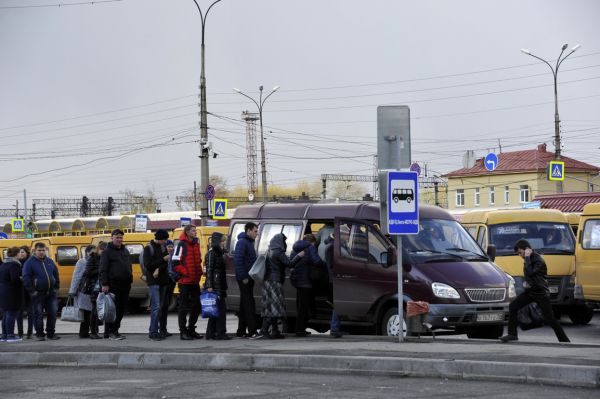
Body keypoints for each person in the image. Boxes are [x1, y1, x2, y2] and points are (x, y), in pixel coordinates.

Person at [500, 239, 570, 343]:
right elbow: (529, 275)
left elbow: (530, 272)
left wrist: (527, 258)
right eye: (518, 253)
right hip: (531, 291)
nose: (520, 255)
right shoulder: (529, 259)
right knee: (513, 306)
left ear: (527, 249)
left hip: (541, 293)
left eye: (520, 252)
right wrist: (527, 284)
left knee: (550, 318)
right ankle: (512, 334)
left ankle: (564, 340)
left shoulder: (538, 259)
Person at [251, 233, 291, 340]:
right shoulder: (278, 252)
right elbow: (289, 263)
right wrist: (299, 256)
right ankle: (264, 331)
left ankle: (275, 331)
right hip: (275, 281)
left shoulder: (269, 250)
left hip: (267, 281)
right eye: (284, 241)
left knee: (270, 306)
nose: (285, 244)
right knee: (274, 306)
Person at [290, 234, 326, 337]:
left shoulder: (295, 248)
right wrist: (325, 264)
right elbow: (317, 261)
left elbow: (292, 262)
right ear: (312, 242)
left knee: (300, 305)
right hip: (306, 280)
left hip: (297, 280)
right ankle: (300, 330)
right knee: (304, 306)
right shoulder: (310, 247)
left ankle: (299, 328)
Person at [23, 242, 60, 341]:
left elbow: (56, 274)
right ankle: (40, 334)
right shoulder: (29, 263)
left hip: (51, 292)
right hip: (38, 293)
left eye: (43, 250)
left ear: (46, 251)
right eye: (39, 250)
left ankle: (51, 334)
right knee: (38, 314)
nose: (41, 252)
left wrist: (56, 287)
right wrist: (32, 291)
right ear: (35, 251)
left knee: (53, 313)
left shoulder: (50, 261)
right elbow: (26, 278)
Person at [172, 224, 203, 340]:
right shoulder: (181, 244)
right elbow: (175, 263)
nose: (195, 232)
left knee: (197, 305)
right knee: (183, 307)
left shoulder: (196, 244)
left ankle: (191, 329)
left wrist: (198, 273)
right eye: (193, 231)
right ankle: (183, 332)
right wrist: (186, 273)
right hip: (185, 281)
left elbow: (198, 260)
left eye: (195, 230)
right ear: (187, 232)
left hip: (195, 281)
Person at [100, 229, 133, 340]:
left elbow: (129, 266)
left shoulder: (125, 251)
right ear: (112, 237)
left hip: (125, 285)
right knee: (113, 310)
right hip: (113, 285)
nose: (119, 239)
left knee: (121, 309)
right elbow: (103, 269)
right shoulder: (107, 252)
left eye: (121, 237)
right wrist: (105, 284)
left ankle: (115, 331)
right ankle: (110, 332)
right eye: (117, 237)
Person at [142, 229, 171, 341]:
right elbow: (148, 265)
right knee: (156, 307)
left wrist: (158, 268)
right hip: (153, 282)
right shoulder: (148, 248)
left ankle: (158, 330)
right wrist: (161, 260)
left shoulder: (162, 247)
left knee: (161, 307)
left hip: (163, 281)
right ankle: (153, 332)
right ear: (159, 238)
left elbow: (166, 263)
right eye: (164, 239)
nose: (165, 241)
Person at [234, 222, 259, 338]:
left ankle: (241, 331)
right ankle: (252, 331)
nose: (256, 234)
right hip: (244, 278)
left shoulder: (248, 242)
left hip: (248, 277)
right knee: (249, 304)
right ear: (248, 231)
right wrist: (243, 276)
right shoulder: (242, 243)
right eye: (255, 231)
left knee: (244, 304)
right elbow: (238, 260)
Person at [204, 232, 230, 340]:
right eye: (222, 241)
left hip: (219, 285)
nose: (223, 243)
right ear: (217, 242)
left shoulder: (219, 253)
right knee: (219, 310)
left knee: (215, 311)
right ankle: (220, 333)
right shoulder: (211, 254)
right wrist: (210, 286)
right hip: (215, 286)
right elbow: (209, 270)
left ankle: (211, 333)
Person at [81, 242, 106, 340]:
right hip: (94, 288)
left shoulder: (104, 258)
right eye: (102, 251)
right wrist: (100, 269)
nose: (103, 254)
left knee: (101, 310)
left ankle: (99, 331)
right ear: (98, 250)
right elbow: (88, 273)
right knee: (95, 310)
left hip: (103, 287)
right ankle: (93, 332)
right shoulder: (92, 258)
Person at [69, 245, 95, 338]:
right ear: (87, 252)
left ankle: (92, 332)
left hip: (92, 290)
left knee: (92, 312)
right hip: (84, 290)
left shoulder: (96, 261)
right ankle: (84, 333)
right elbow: (76, 276)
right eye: (92, 252)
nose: (93, 254)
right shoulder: (82, 262)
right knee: (86, 313)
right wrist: (72, 290)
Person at [0, 247, 25, 342]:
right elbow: (14, 278)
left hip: (3, 291)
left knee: (6, 314)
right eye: (20, 253)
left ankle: (4, 335)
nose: (21, 254)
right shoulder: (14, 265)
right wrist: (22, 280)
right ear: (16, 254)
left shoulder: (4, 264)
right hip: (12, 293)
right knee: (11, 313)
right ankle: (10, 336)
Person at [322, 233, 342, 338]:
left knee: (337, 303)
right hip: (334, 279)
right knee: (337, 304)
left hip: (333, 278)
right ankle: (334, 328)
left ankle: (335, 327)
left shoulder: (331, 245)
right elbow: (331, 265)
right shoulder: (332, 247)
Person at [16, 246, 33, 339]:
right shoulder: (16, 263)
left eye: (22, 252)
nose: (21, 254)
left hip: (29, 291)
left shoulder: (30, 263)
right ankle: (20, 333)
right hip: (19, 292)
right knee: (19, 314)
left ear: (27, 253)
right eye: (19, 252)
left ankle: (29, 333)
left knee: (31, 313)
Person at [159, 239, 176, 338]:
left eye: (172, 246)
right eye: (169, 247)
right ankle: (161, 329)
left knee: (166, 307)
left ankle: (164, 329)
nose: (171, 248)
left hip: (171, 282)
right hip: (164, 283)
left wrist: (174, 277)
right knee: (162, 306)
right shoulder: (163, 257)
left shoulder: (174, 256)